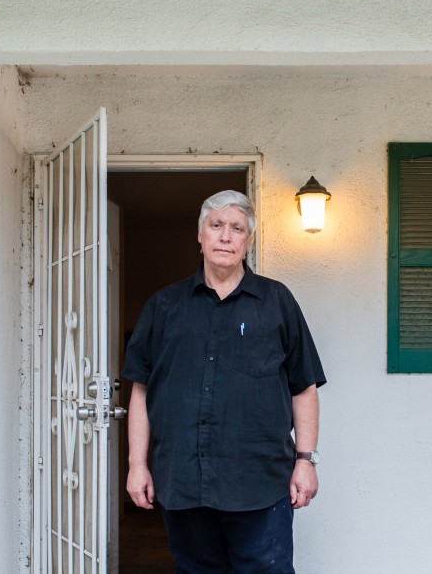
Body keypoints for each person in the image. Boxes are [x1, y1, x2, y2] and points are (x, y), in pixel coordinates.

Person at [123, 190, 326, 574]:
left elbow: (304, 387)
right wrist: (137, 465)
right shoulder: (164, 306)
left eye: (237, 228)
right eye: (216, 226)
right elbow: (142, 390)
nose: (226, 236)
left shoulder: (278, 302)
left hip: (262, 484)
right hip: (184, 482)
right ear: (200, 236)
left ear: (248, 240)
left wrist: (306, 460)